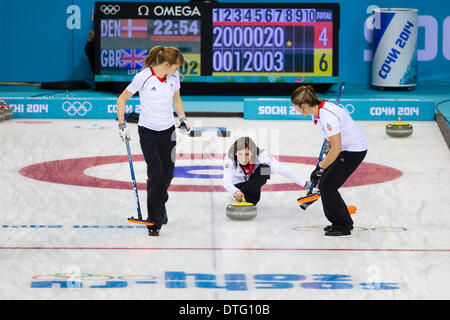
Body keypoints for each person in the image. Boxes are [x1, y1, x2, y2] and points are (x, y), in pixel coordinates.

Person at [116, 46, 191, 236]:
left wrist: (182, 119)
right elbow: (122, 99)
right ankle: (154, 220)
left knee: (167, 175)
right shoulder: (143, 77)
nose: (177, 70)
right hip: (148, 132)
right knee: (156, 174)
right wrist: (122, 124)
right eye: (176, 67)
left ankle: (160, 205)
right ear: (166, 64)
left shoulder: (173, 78)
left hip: (168, 132)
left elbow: (177, 100)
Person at [291, 85, 368, 236]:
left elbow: (336, 148)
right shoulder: (318, 112)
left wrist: (320, 167)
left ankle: (343, 225)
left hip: (353, 150)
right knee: (325, 182)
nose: (297, 110)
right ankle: (338, 221)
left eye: (296, 107)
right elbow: (332, 142)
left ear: (304, 105)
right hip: (344, 147)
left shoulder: (327, 117)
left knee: (328, 187)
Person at [223, 137, 310, 205]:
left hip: (254, 179)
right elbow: (226, 181)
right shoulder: (229, 160)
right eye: (240, 154)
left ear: (252, 152)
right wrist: (235, 191)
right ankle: (242, 195)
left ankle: (249, 200)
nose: (243, 158)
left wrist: (304, 183)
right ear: (235, 153)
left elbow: (282, 169)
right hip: (239, 184)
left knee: (265, 168)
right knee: (243, 187)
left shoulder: (262, 156)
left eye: (247, 154)